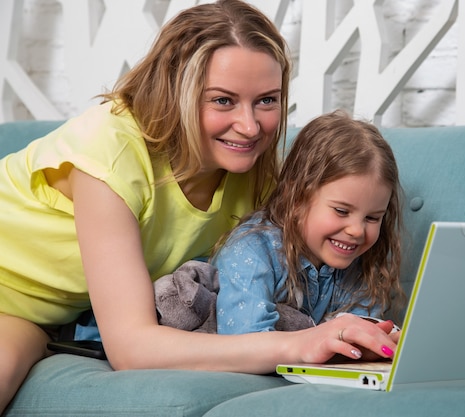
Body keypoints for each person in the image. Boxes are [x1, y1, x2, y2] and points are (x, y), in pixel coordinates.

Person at [0, 1, 399, 412]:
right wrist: (298, 345)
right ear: (176, 93)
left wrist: (360, 333)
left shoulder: (252, 171)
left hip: (44, 318)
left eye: (266, 100)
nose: (250, 126)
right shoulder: (111, 149)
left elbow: (309, 275)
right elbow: (132, 347)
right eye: (223, 101)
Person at [213, 110, 406, 337]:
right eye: (341, 211)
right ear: (296, 199)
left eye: (372, 218)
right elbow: (246, 340)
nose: (356, 230)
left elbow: (355, 334)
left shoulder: (361, 265)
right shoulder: (253, 250)